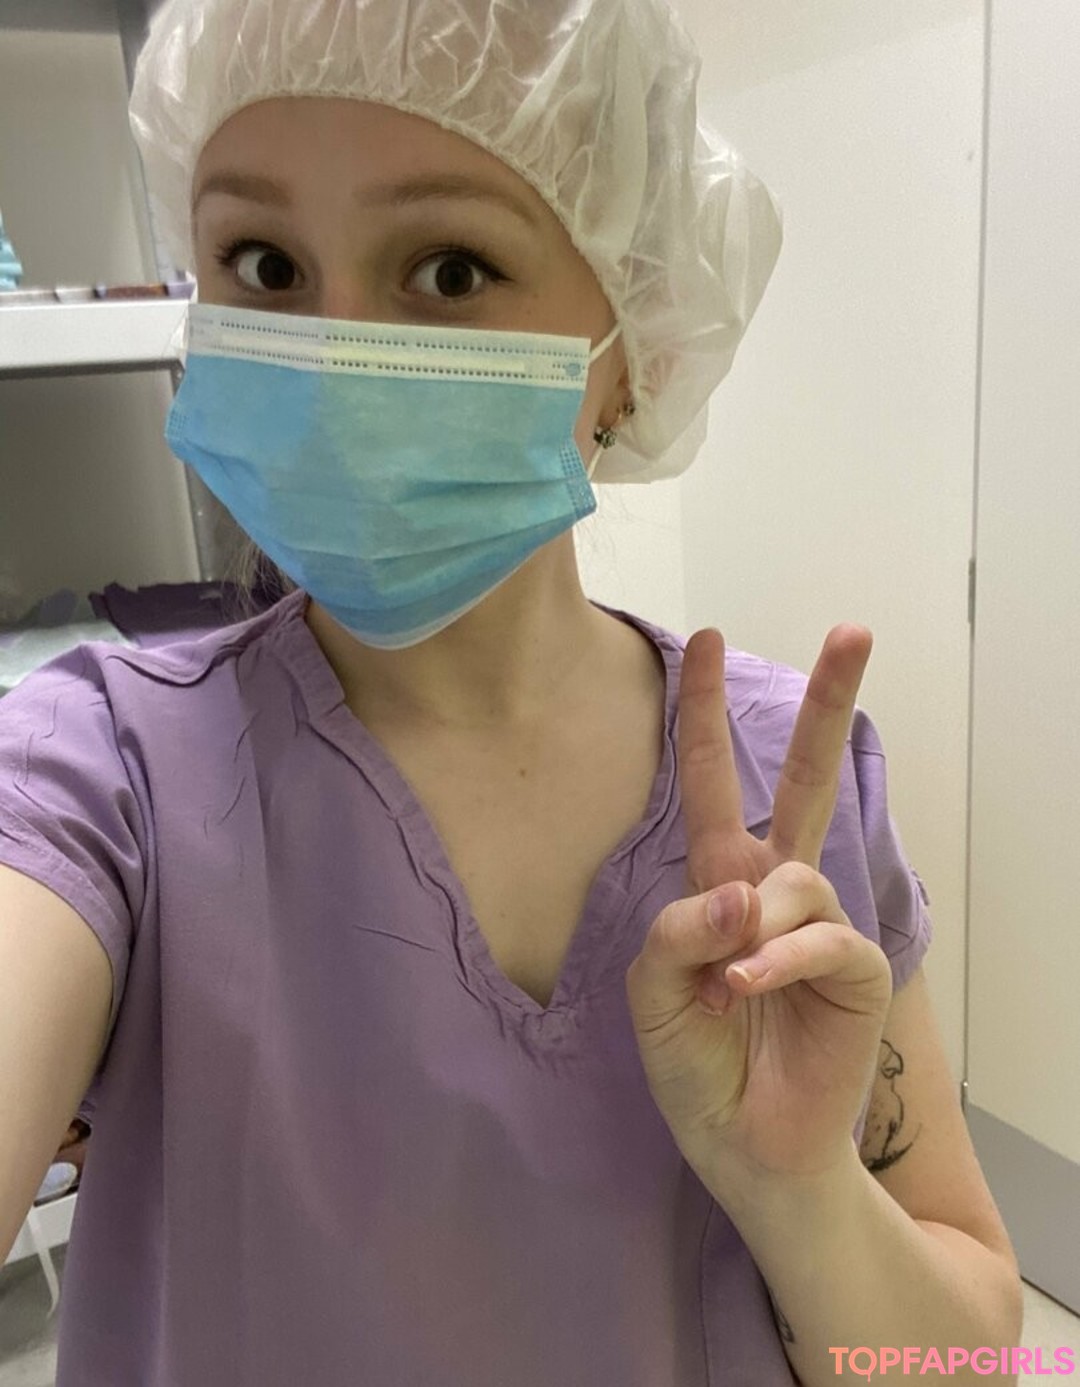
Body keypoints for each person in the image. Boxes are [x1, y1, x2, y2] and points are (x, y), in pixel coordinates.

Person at [0, 1, 1023, 1383]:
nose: (338, 362)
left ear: (637, 346)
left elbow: (965, 1368)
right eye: (264, 263)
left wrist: (799, 1190)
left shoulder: (799, 789)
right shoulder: (98, 775)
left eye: (450, 269)